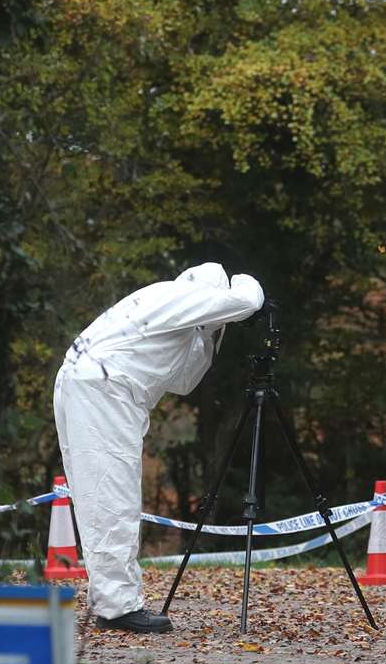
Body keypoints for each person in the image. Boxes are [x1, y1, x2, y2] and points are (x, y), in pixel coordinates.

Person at [53, 263, 265, 633]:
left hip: (87, 382)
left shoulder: (163, 308)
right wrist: (245, 283)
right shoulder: (177, 296)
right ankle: (118, 607)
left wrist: (209, 331)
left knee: (99, 496)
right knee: (111, 496)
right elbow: (248, 300)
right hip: (106, 387)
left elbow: (184, 381)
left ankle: (112, 599)